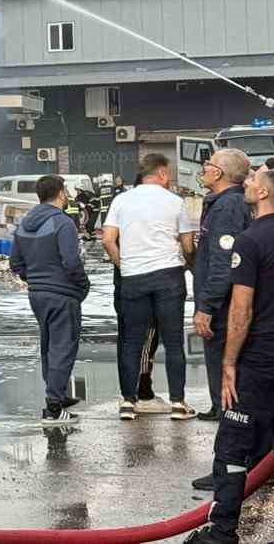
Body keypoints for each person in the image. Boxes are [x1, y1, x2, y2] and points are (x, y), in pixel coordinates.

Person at [183, 167, 274, 544]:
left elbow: (241, 309)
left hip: (262, 361)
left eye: (255, 181)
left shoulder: (251, 240)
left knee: (233, 445)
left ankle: (222, 532)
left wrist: (229, 363)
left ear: (266, 195)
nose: (248, 185)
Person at [102, 153, 200, 421]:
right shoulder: (175, 201)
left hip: (134, 278)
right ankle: (178, 403)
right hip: (169, 276)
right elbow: (188, 244)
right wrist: (191, 264)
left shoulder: (121, 200)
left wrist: (124, 265)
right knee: (173, 342)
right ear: (162, 173)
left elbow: (108, 239)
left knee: (132, 341)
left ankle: (128, 403)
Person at [11, 175, 90, 426]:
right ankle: (54, 408)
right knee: (63, 348)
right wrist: (81, 285)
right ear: (60, 193)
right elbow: (71, 261)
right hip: (62, 294)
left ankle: (58, 395)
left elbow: (16, 263)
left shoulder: (24, 224)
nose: (67, 195)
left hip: (38, 295)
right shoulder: (62, 222)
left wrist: (34, 279)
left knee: (49, 347)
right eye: (65, 191)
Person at [193, 149, 251, 424]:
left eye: (207, 165)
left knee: (221, 356)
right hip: (221, 299)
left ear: (217, 173)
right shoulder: (223, 203)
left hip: (222, 303)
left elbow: (222, 261)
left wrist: (207, 306)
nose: (203, 170)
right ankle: (221, 406)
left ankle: (226, 410)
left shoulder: (228, 206)